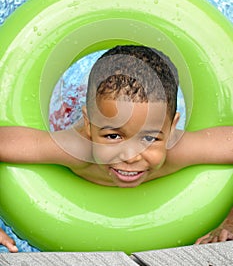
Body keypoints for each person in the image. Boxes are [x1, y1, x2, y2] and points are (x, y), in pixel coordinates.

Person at [0, 45, 232, 251]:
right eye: (113, 136)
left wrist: (229, 223)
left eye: (149, 138)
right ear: (89, 126)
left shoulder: (179, 150)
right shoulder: (75, 149)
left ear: (172, 128)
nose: (130, 156)